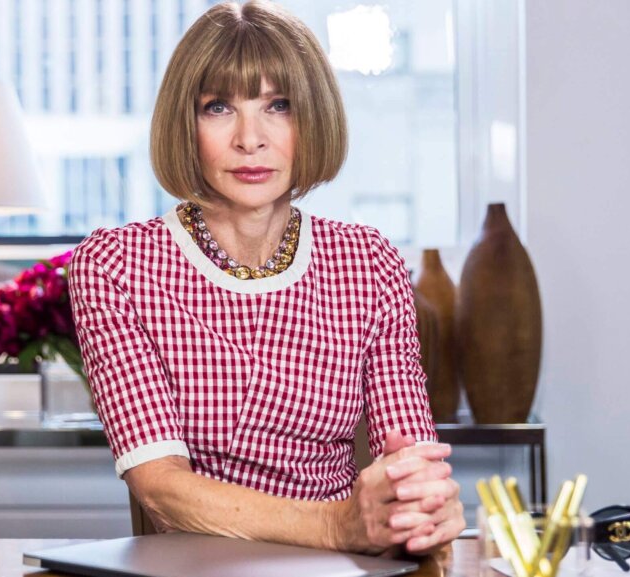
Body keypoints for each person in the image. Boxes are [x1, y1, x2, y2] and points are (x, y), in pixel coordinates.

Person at [67, 0, 464, 557]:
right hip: (194, 568)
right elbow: (159, 486)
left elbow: (408, 450)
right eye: (218, 107)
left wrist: (423, 500)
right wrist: (335, 525)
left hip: (345, 567)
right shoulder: (117, 267)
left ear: (314, 118)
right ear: (185, 122)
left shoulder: (369, 262)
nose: (250, 139)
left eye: (278, 105)